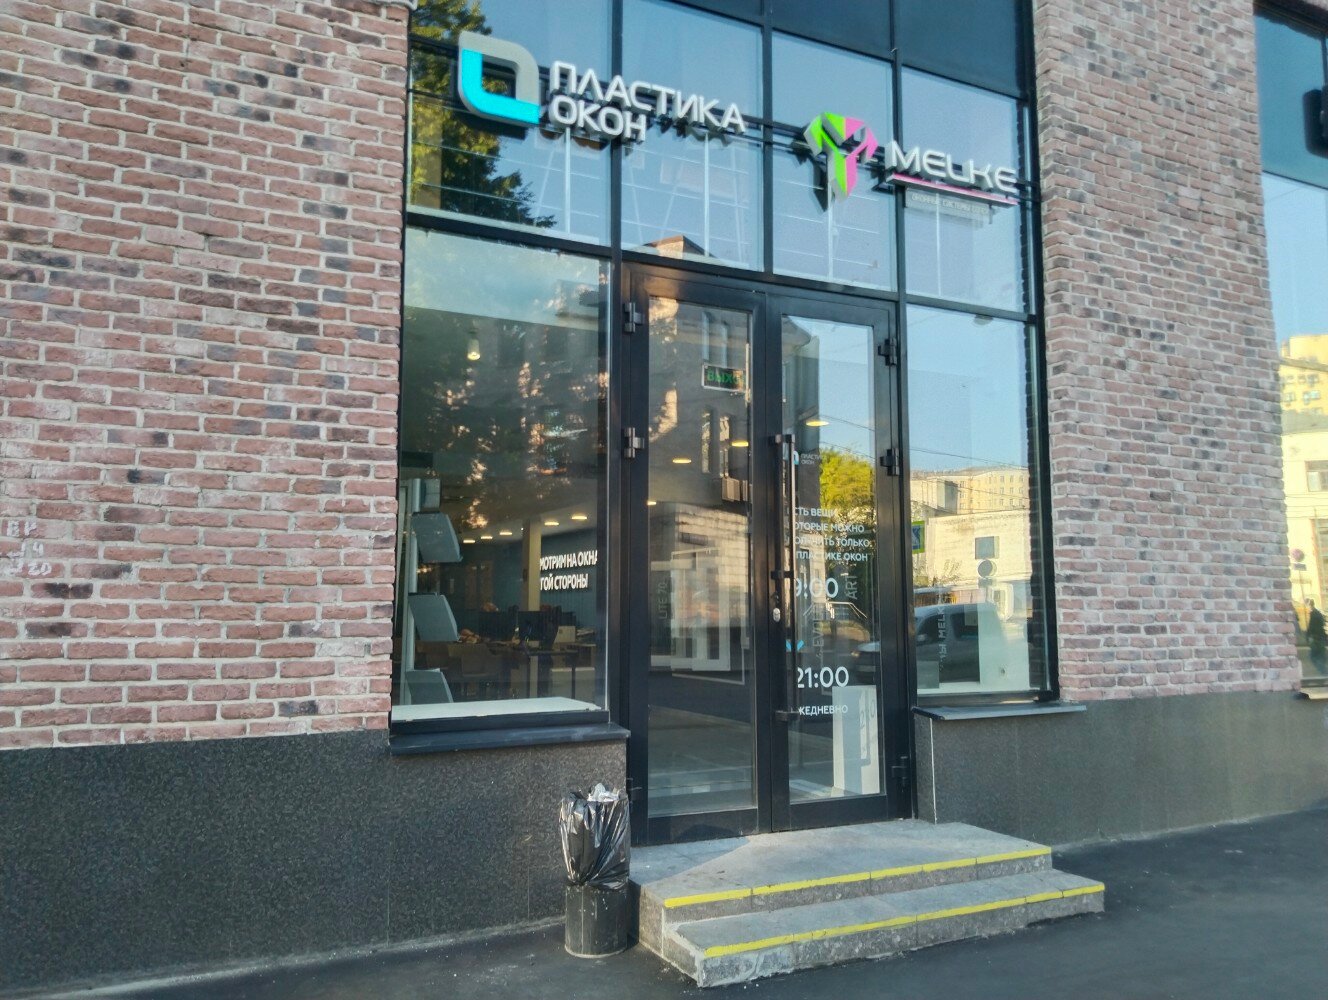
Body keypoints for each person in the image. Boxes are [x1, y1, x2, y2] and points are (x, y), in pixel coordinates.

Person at [1306, 600, 1326, 675]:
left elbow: (1311, 627)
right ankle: (1324, 672)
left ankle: (1324, 672)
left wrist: (1308, 635)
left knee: (1313, 656)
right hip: (1320, 638)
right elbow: (1322, 624)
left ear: (1310, 605)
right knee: (1320, 656)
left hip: (1316, 638)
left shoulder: (1314, 614)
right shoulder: (1317, 613)